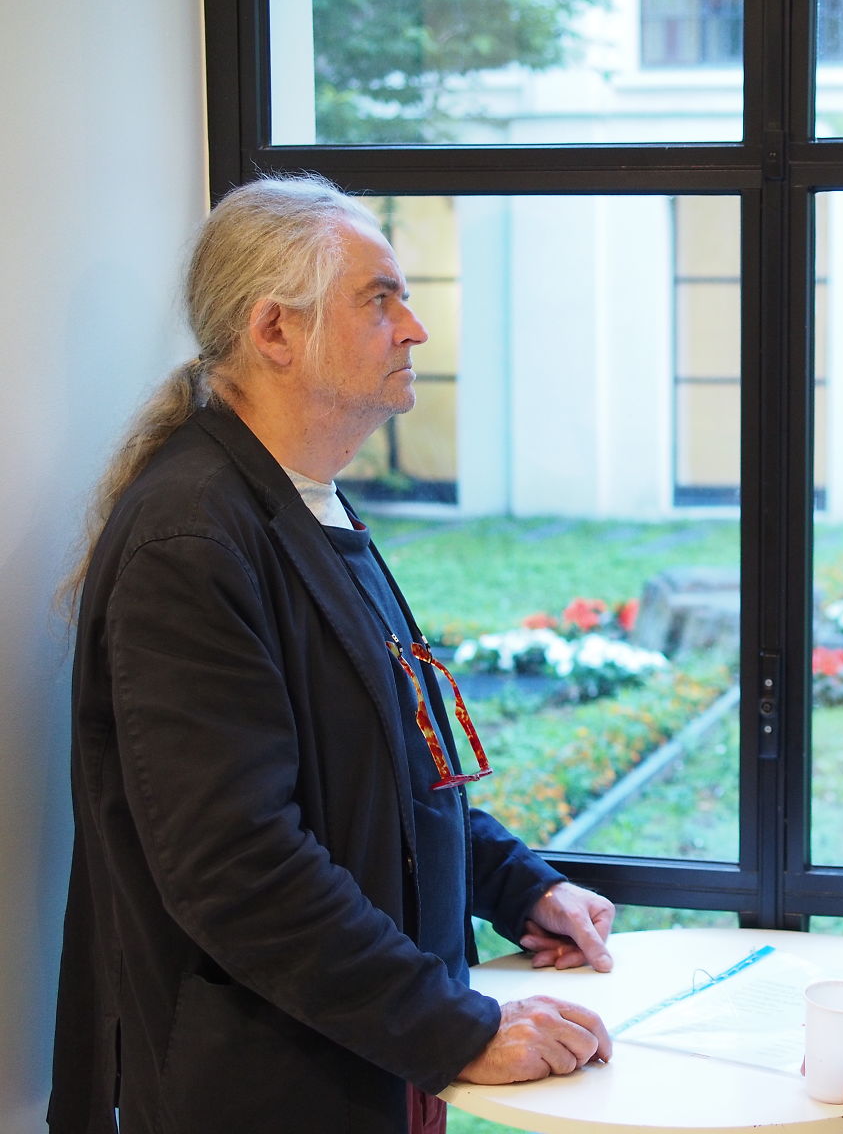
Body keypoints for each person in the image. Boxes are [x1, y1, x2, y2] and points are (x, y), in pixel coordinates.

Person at [51, 175, 616, 1134]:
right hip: (257, 1090)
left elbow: (380, 773)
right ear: (276, 331)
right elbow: (238, 867)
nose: (414, 329)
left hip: (353, 1058)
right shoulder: (192, 539)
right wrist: (455, 1030)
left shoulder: (303, 500)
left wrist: (519, 887)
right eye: (380, 300)